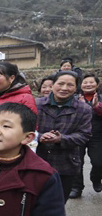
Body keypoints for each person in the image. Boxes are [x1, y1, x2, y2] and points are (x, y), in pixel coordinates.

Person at [36, 70, 92, 202]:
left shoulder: (83, 109)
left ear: (76, 88)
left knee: (58, 203)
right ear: (53, 85)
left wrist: (61, 139)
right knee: (35, 201)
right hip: (38, 160)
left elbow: (84, 135)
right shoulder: (37, 104)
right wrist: (40, 137)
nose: (64, 88)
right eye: (60, 83)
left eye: (70, 85)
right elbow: (25, 130)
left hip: (66, 164)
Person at [71, 73, 102, 198]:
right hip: (78, 134)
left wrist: (96, 107)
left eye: (91, 82)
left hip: (97, 135)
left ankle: (96, 178)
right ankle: (76, 187)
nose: (88, 84)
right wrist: (81, 106)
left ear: (97, 84)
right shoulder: (74, 98)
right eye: (85, 82)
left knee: (99, 162)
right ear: (80, 85)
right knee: (76, 162)